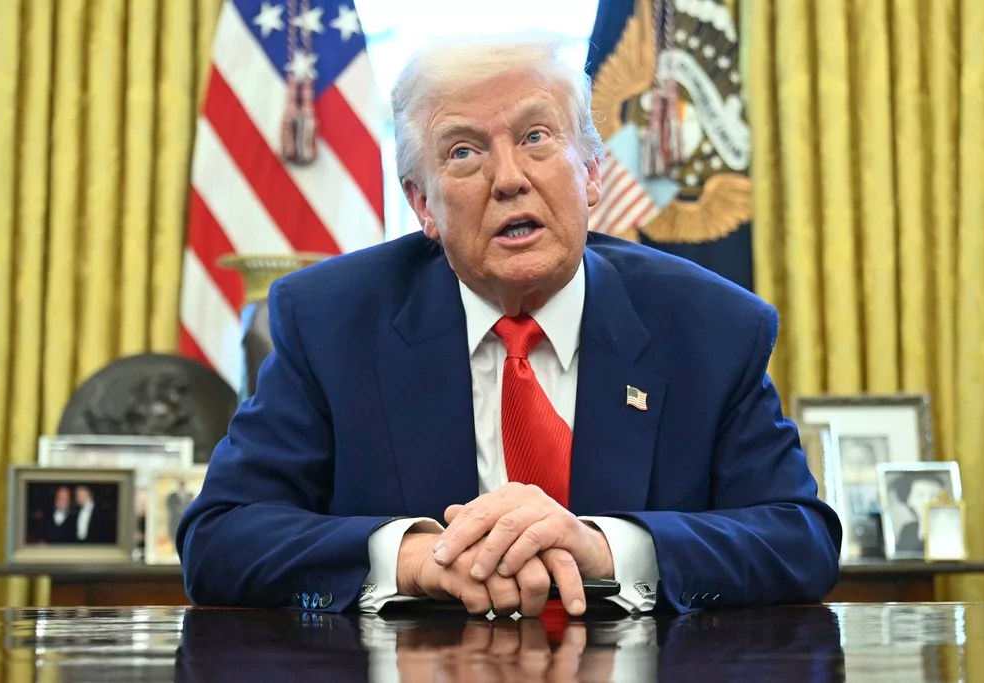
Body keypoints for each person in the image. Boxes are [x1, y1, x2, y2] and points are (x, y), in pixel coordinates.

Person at [177, 39, 841, 616]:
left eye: (535, 137)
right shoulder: (328, 322)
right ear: (421, 204)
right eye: (463, 152)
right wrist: (411, 558)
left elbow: (798, 537)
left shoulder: (711, 326)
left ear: (592, 175)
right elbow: (221, 535)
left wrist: (604, 546)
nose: (509, 179)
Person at [888, 473, 946, 553]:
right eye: (920, 495)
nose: (928, 501)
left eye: (934, 495)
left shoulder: (950, 530)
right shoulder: (908, 530)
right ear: (909, 500)